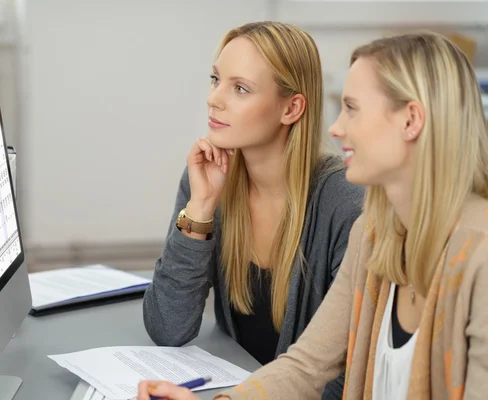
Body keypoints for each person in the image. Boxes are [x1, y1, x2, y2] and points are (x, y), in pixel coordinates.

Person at [137, 30, 488, 400]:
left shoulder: (475, 254)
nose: (335, 129)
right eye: (216, 80)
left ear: (410, 120)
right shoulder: (374, 232)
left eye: (351, 108)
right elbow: (307, 366)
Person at [141, 21, 364, 399]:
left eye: (240, 88)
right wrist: (201, 208)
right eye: (216, 80)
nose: (214, 99)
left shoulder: (344, 202)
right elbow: (168, 327)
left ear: (291, 108)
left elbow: (343, 377)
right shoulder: (209, 179)